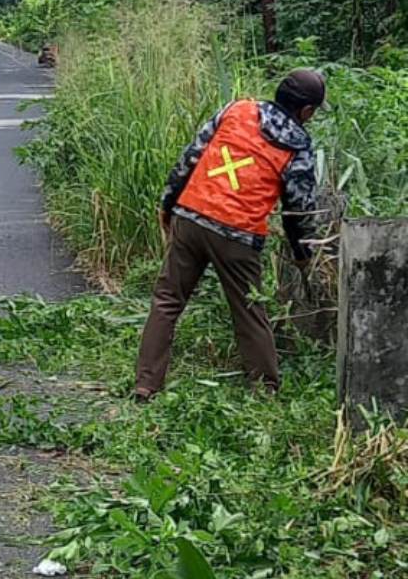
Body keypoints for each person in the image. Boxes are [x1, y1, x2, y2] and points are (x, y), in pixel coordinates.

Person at [134, 69, 327, 401]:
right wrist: (303, 255)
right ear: (307, 111)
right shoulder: (300, 147)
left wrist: (168, 204)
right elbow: (298, 212)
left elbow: (189, 159)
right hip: (238, 236)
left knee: (167, 301)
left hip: (191, 217)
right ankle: (264, 391)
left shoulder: (237, 109)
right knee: (249, 312)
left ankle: (146, 384)